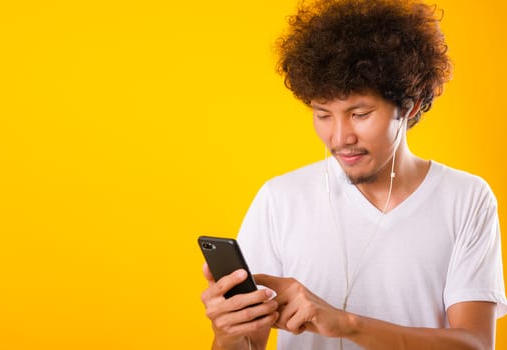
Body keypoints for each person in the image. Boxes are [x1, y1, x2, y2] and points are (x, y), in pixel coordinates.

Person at [199, 0, 507, 349]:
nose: (339, 137)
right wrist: (227, 334)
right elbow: (247, 344)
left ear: (410, 106)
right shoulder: (280, 199)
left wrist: (346, 324)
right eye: (323, 114)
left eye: (359, 114)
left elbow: (476, 344)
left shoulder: (465, 199)